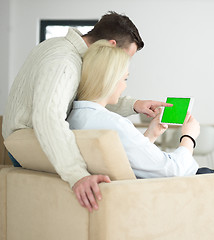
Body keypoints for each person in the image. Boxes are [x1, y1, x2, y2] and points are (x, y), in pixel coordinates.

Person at [67, 40, 214, 211]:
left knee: (204, 171)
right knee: (199, 173)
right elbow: (173, 170)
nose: (125, 85)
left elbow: (123, 158)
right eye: (124, 79)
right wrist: (189, 138)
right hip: (160, 190)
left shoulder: (75, 118)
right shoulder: (114, 123)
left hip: (133, 185)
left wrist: (151, 133)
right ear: (108, 81)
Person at [2, 11, 171, 212]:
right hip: (33, 148)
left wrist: (134, 105)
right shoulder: (65, 62)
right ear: (111, 46)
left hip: (23, 147)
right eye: (125, 58)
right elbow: (47, 117)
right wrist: (77, 174)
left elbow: (90, 93)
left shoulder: (57, 46)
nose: (122, 67)